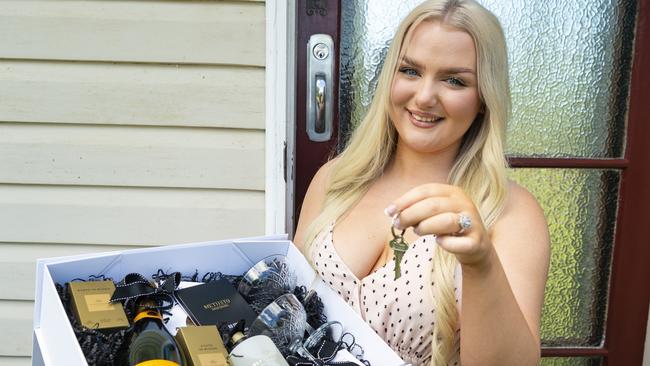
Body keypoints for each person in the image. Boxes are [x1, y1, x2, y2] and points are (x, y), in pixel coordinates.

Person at [294, 0, 550, 365]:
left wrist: (480, 262)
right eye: (411, 71)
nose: (425, 97)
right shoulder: (336, 179)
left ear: (483, 99)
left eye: (454, 80)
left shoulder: (511, 212)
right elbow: (291, 307)